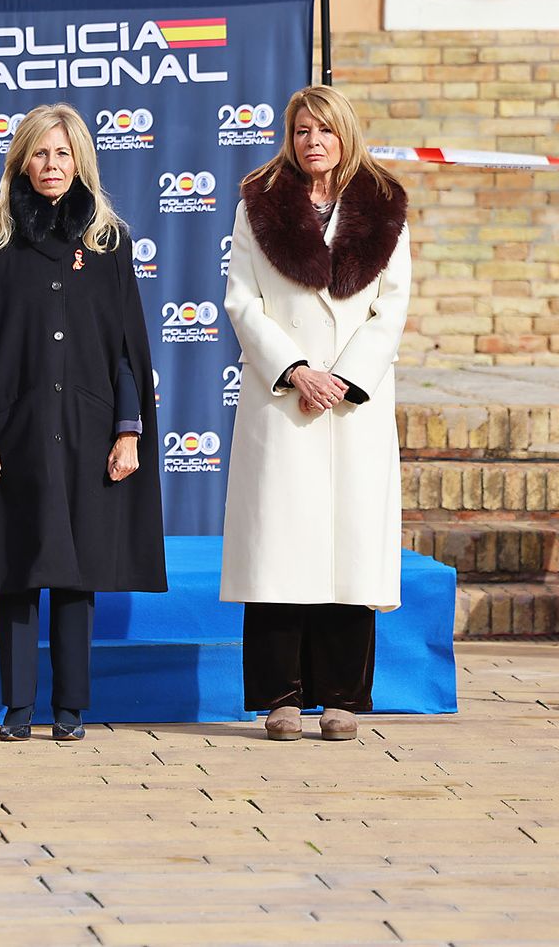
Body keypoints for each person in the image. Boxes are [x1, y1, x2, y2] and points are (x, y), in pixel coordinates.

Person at [0, 102, 167, 741]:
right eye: (40, 153)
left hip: (89, 430)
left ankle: (70, 709)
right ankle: (18, 708)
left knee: (77, 569)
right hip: (14, 430)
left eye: (62, 153)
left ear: (80, 160)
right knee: (17, 566)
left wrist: (127, 430)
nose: (51, 164)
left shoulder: (108, 241)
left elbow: (126, 348)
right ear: (20, 162)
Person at [219, 84, 411, 742]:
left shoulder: (385, 206)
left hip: (353, 406)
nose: (313, 141)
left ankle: (342, 698)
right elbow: (243, 302)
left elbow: (392, 306)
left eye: (324, 130)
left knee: (349, 548)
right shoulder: (259, 205)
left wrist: (344, 378)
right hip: (286, 401)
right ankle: (278, 697)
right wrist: (296, 369)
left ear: (345, 135)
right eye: (301, 130)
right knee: (280, 547)